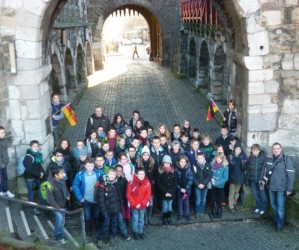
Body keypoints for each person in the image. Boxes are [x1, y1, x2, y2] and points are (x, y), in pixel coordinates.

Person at [260, 142, 295, 231]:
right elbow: (263, 171)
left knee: (280, 207)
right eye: (274, 148)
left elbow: (291, 176)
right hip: (271, 187)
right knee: (273, 205)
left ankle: (280, 225)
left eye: (277, 148)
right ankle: (278, 218)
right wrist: (261, 182)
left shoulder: (286, 160)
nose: (275, 150)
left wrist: (289, 189)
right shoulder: (268, 158)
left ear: (281, 149)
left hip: (282, 188)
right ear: (272, 150)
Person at [73, 159, 102, 236]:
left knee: (96, 214)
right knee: (87, 215)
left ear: (94, 166)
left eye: (91, 166)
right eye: (88, 166)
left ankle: (97, 228)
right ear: (85, 166)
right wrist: (80, 197)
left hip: (96, 199)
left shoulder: (99, 173)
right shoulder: (79, 175)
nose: (90, 168)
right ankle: (88, 230)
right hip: (86, 199)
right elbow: (75, 186)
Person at [95, 169, 123, 247]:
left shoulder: (116, 183)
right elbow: (101, 201)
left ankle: (113, 236)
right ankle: (99, 238)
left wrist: (120, 206)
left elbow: (119, 196)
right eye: (111, 174)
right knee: (106, 225)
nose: (112, 176)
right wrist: (104, 212)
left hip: (115, 208)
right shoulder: (102, 185)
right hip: (107, 210)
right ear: (107, 174)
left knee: (114, 223)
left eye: (114, 175)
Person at [46, 166, 70, 244]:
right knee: (60, 219)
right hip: (56, 207)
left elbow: (65, 189)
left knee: (62, 220)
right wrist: (58, 208)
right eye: (62, 173)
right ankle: (59, 235)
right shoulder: (50, 185)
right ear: (56, 175)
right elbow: (50, 200)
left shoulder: (62, 180)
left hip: (63, 205)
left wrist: (68, 194)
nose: (64, 174)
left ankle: (58, 233)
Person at [126, 168, 151, 240]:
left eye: (143, 174)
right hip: (134, 205)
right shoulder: (131, 182)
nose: (141, 175)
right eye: (140, 174)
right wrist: (134, 203)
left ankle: (140, 231)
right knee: (135, 219)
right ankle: (135, 232)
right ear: (136, 174)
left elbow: (148, 194)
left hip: (142, 205)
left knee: (141, 219)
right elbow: (128, 194)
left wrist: (142, 203)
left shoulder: (147, 182)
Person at [23, 140, 45, 214]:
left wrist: (42, 172)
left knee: (39, 190)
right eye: (34, 146)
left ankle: (43, 206)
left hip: (36, 176)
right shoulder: (28, 157)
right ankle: (33, 207)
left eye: (37, 146)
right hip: (29, 178)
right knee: (31, 192)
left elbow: (38, 165)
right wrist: (39, 175)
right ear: (31, 147)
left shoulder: (37, 155)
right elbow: (29, 170)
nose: (36, 148)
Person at [137, 146, 155, 225]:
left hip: (151, 186)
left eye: (147, 154)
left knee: (150, 202)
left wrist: (153, 182)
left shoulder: (153, 163)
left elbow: (155, 175)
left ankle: (149, 216)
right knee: (143, 201)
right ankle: (145, 218)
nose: (145, 156)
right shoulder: (138, 163)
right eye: (144, 154)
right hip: (141, 186)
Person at [247, 144, 267, 216]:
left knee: (262, 195)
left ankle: (263, 208)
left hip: (261, 180)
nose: (255, 152)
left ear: (259, 150)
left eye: (256, 150)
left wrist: (262, 179)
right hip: (253, 180)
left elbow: (264, 169)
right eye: (253, 150)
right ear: (251, 151)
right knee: (256, 195)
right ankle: (258, 206)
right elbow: (248, 169)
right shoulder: (250, 158)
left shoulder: (264, 158)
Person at [227, 142, 247, 214]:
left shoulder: (243, 156)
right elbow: (229, 168)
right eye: (237, 149)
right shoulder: (230, 156)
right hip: (232, 177)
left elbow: (244, 168)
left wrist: (243, 162)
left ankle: (234, 203)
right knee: (232, 192)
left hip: (240, 177)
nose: (238, 151)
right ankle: (231, 206)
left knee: (237, 192)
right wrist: (232, 163)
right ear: (234, 149)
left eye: (239, 149)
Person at [157, 155, 177, 225]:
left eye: (168, 163)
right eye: (165, 163)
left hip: (171, 193)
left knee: (170, 207)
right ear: (163, 163)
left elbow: (175, 183)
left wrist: (171, 192)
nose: (167, 164)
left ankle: (169, 217)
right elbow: (159, 183)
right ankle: (164, 217)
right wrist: (165, 192)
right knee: (165, 207)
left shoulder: (173, 171)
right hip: (163, 193)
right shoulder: (160, 171)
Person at [210, 153, 229, 219]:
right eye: (217, 158)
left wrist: (217, 183)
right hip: (212, 184)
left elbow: (225, 178)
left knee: (219, 199)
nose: (218, 160)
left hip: (220, 185)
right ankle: (213, 210)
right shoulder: (211, 164)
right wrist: (211, 179)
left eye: (220, 158)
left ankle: (219, 210)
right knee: (213, 198)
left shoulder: (225, 166)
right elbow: (209, 173)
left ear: (223, 159)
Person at [114, 164, 130, 240]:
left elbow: (127, 191)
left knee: (120, 219)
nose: (119, 172)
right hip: (112, 203)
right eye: (117, 171)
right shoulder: (111, 179)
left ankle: (124, 233)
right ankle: (113, 233)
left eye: (120, 171)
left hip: (121, 203)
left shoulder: (124, 180)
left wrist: (125, 202)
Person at [175, 155, 193, 222]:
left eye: (184, 162)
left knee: (186, 201)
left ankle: (187, 214)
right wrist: (180, 188)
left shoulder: (189, 169)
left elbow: (190, 180)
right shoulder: (176, 170)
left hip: (187, 189)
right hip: (179, 189)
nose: (182, 163)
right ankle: (180, 214)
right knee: (180, 201)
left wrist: (186, 188)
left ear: (186, 162)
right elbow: (175, 181)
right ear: (179, 162)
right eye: (181, 162)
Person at [0, 126, 14, 198]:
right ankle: (1, 191)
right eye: (2, 133)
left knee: (4, 178)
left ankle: (5, 190)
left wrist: (6, 161)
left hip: (4, 164)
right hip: (1, 164)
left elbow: (4, 151)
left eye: (4, 132)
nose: (4, 134)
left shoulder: (4, 140)